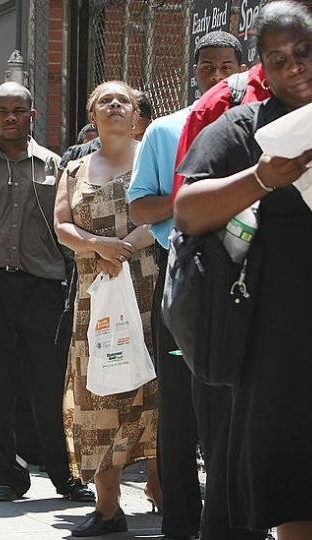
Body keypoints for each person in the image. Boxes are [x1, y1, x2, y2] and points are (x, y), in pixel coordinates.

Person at [175, 3, 312, 539]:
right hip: (280, 349)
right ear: (263, 71)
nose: (295, 66)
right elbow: (188, 210)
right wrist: (260, 180)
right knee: (296, 486)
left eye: (304, 51)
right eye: (278, 58)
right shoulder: (244, 129)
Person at [0, 81, 93, 503]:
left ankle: (65, 475)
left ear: (32, 115)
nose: (10, 117)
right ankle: (7, 474)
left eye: (18, 110)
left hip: (44, 290)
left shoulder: (53, 166)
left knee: (50, 387)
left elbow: (68, 232)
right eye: (1, 110)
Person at [128, 30, 245, 540]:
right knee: (178, 404)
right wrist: (195, 204)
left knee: (236, 404)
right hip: (186, 279)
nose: (217, 77)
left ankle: (235, 518)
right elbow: (140, 205)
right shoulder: (166, 132)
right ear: (192, 72)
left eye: (227, 67)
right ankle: (180, 520)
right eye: (207, 67)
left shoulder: (266, 124)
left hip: (248, 282)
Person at [54, 81, 160, 536]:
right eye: (104, 101)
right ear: (92, 114)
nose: (114, 106)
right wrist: (98, 246)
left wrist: (124, 248)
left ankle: (165, 494)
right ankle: (108, 507)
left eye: (123, 101)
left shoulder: (152, 155)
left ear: (137, 113)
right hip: (95, 296)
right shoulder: (75, 168)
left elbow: (167, 210)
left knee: (155, 391)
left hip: (149, 289)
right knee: (96, 392)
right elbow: (61, 225)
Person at [172, 0, 312, 198]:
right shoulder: (221, 103)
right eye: (287, 16)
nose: (297, 26)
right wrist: (258, 179)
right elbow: (185, 209)